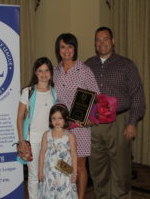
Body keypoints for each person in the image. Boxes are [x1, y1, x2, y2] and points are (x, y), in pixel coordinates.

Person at [85, 26, 146, 199]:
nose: (101, 43)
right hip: (95, 124)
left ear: (113, 41)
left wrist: (132, 122)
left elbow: (137, 95)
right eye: (98, 40)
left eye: (105, 39)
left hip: (120, 122)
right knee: (97, 167)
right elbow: (83, 94)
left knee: (121, 169)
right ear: (95, 43)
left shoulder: (126, 65)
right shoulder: (88, 64)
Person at [53, 33, 100, 199]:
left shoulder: (84, 70)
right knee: (62, 163)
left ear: (75, 49)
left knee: (79, 166)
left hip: (80, 127)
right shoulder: (55, 71)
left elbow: (97, 97)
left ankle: (80, 197)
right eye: (63, 47)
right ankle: (66, 194)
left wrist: (89, 119)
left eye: (70, 46)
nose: (66, 50)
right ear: (58, 50)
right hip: (60, 127)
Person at [16, 57, 56, 198]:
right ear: (35, 72)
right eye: (40, 71)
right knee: (33, 176)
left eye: (46, 70)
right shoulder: (28, 92)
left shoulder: (54, 93)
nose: (44, 74)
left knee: (47, 173)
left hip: (50, 141)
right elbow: (20, 117)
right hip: (32, 141)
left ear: (51, 72)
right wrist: (21, 140)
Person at [38, 104, 77, 199]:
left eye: (60, 118)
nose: (57, 121)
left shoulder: (70, 136)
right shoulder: (46, 135)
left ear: (65, 119)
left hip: (65, 172)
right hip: (49, 172)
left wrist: (74, 173)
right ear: (50, 119)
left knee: (63, 193)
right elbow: (42, 153)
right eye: (54, 118)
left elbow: (74, 155)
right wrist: (40, 171)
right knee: (50, 193)